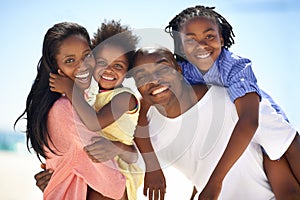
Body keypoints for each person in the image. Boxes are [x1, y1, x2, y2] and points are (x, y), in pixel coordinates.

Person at [164, 5, 300, 199]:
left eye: (209, 36)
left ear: (222, 38)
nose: (201, 45)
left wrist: (215, 182)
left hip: (257, 116)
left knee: (285, 162)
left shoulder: (235, 66)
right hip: (230, 124)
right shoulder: (183, 72)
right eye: (191, 40)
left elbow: (250, 121)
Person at [130, 47, 299, 200]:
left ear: (179, 70)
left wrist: (214, 183)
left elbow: (289, 146)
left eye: (163, 68)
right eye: (142, 76)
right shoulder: (147, 128)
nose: (154, 80)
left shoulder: (236, 103)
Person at [14, 21, 137, 200]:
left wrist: (58, 181)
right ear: (57, 68)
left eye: (87, 56)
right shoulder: (66, 108)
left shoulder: (85, 102)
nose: (83, 66)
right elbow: (112, 183)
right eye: (70, 60)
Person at [48, 20, 143, 200]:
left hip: (121, 169)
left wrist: (70, 89)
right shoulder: (90, 96)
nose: (109, 70)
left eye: (118, 66)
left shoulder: (125, 98)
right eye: (102, 62)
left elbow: (95, 122)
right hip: (99, 164)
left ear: (128, 72)